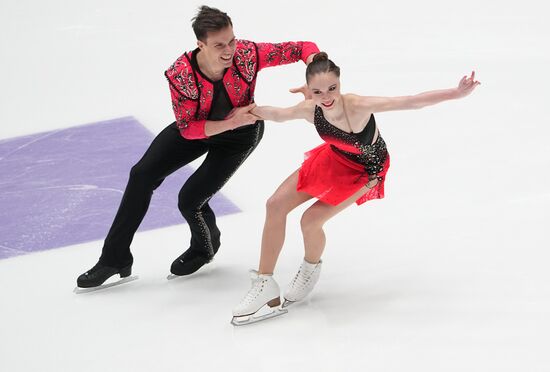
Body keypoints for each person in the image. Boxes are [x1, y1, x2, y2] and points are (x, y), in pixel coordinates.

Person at [75, 5, 319, 291]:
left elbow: (303, 48)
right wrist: (229, 121)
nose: (229, 50)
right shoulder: (181, 73)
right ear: (200, 45)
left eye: (231, 40)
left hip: (240, 137)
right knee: (141, 175)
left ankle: (205, 247)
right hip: (197, 130)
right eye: (219, 45)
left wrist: (316, 76)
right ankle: (114, 258)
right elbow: (188, 128)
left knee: (190, 199)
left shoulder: (247, 54)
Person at [231, 52, 480, 325]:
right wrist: (242, 114)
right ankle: (265, 282)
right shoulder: (310, 109)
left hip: (366, 171)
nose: (326, 97)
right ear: (309, 92)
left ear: (340, 84)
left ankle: (309, 269)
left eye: (332, 89)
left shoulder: (358, 105)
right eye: (317, 91)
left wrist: (456, 93)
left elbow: (410, 102)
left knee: (310, 221)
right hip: (334, 158)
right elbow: (277, 114)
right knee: (275, 204)